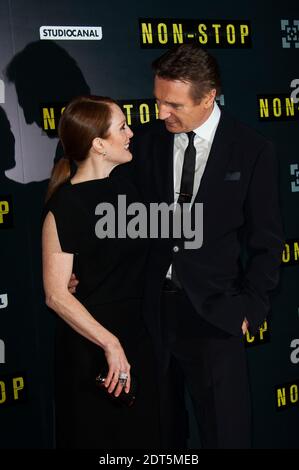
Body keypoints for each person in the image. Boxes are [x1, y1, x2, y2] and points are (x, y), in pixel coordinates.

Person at [68, 45, 284, 448]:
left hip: (215, 318)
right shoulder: (144, 142)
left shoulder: (253, 150)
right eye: (157, 101)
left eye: (173, 104)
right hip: (148, 314)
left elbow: (267, 244)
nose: (161, 113)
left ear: (208, 97)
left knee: (226, 435)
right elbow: (112, 215)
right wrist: (81, 267)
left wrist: (249, 309)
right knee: (161, 435)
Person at [42, 95, 161, 449]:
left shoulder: (129, 188)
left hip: (138, 340)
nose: (131, 133)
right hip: (93, 348)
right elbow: (56, 294)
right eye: (122, 127)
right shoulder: (64, 205)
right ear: (98, 144)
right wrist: (110, 344)